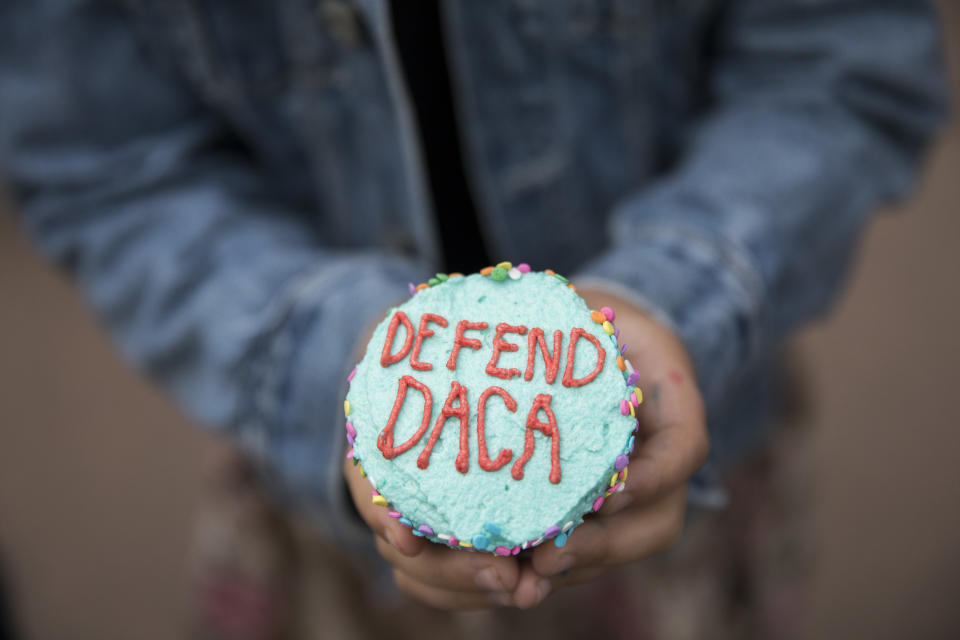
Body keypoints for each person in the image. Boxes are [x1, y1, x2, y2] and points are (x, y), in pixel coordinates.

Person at [0, 0, 947, 635]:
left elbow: (836, 68)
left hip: (685, 440)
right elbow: (104, 165)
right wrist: (318, 372)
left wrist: (674, 292)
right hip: (320, 484)